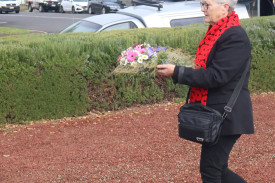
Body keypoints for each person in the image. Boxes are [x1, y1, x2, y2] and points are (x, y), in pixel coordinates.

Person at [156, 0, 254, 182]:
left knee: (211, 170)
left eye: (206, 4)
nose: (202, 9)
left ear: (225, 6)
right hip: (218, 112)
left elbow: (216, 76)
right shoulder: (219, 31)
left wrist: (177, 72)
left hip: (227, 114)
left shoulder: (234, 35)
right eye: (202, 4)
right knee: (217, 169)